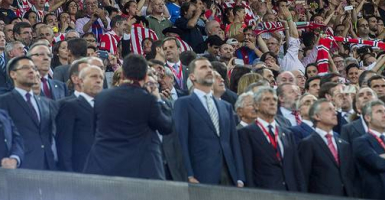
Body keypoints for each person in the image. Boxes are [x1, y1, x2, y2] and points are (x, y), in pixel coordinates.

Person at [84, 54, 172, 179]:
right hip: (139, 170)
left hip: (103, 166)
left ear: (123, 74)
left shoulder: (102, 97)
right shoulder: (148, 100)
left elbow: (94, 130)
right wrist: (158, 99)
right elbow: (166, 127)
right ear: (145, 76)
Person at [174, 57, 244, 186]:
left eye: (210, 67)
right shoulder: (183, 104)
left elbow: (234, 143)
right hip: (201, 174)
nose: (209, 70)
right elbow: (181, 141)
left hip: (229, 175)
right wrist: (188, 174)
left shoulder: (226, 106)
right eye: (203, 67)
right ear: (192, 77)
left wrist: (240, 176)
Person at [0, 56, 56, 170]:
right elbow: (0, 135)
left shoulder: (46, 103)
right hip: (20, 165)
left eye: (34, 68)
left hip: (47, 165)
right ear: (13, 74)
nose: (32, 71)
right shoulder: (3, 101)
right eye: (26, 68)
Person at [238, 87, 306, 191]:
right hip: (264, 193)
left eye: (274, 99)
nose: (272, 103)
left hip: (291, 193)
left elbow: (296, 168)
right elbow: (248, 169)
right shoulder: (245, 133)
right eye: (266, 99)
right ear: (256, 105)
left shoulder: (287, 133)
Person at [298, 99, 355, 197]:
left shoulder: (344, 144)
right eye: (329, 110)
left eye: (334, 109)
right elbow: (303, 177)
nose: (335, 113)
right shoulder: (308, 143)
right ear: (316, 116)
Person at [56, 65, 104, 172]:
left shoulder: (106, 107)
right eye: (93, 77)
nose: (98, 80)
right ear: (81, 81)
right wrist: (69, 175)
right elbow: (64, 145)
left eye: (101, 78)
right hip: (79, 172)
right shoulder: (70, 106)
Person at [353, 100, 385, 199]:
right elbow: (378, 163)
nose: (384, 115)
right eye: (379, 112)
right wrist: (379, 159)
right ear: (367, 117)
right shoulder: (361, 141)